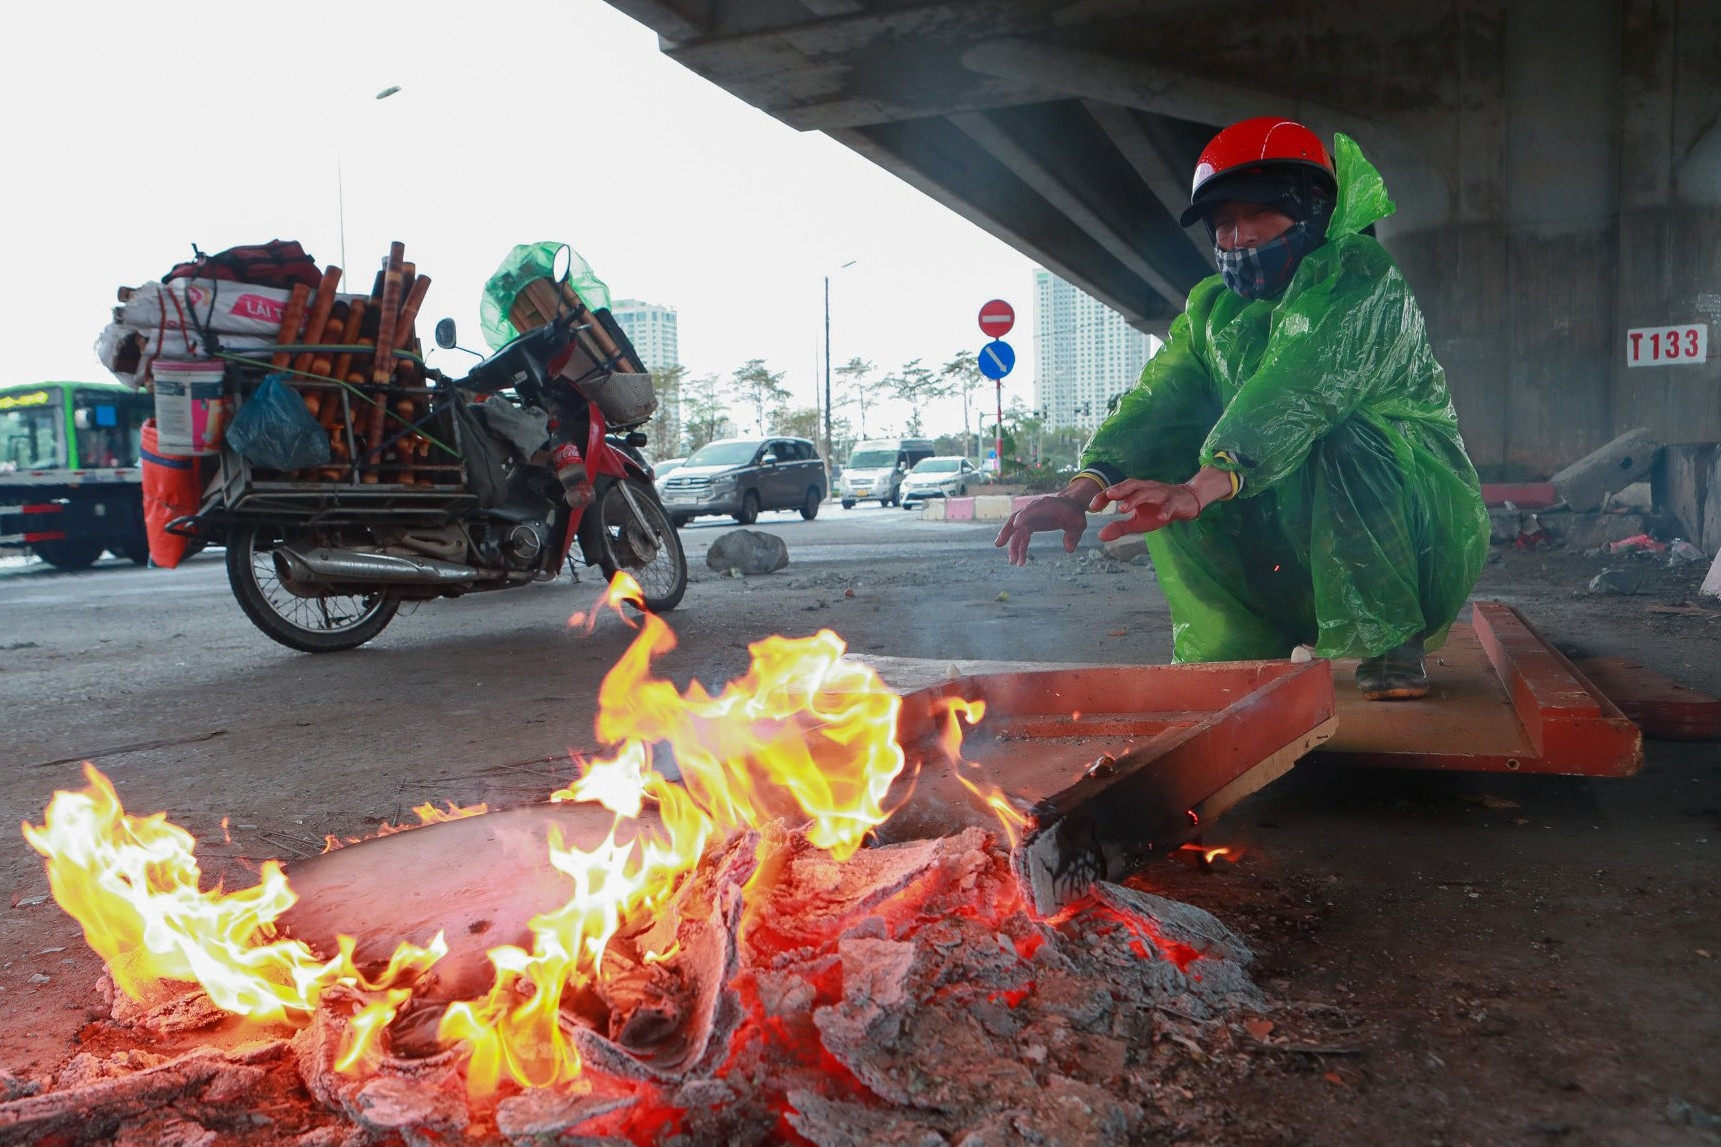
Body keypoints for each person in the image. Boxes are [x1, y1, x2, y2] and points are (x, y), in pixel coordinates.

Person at [995, 117, 1489, 700]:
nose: (1240, 237)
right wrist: (1079, 492)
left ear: (1313, 209)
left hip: (1414, 515)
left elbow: (1301, 389)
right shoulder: (1213, 312)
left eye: (1258, 213)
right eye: (1224, 223)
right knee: (1162, 484)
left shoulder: (1360, 278)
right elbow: (1162, 401)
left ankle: (1388, 640)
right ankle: (1247, 644)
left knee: (1345, 438)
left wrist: (1203, 485)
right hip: (1278, 500)